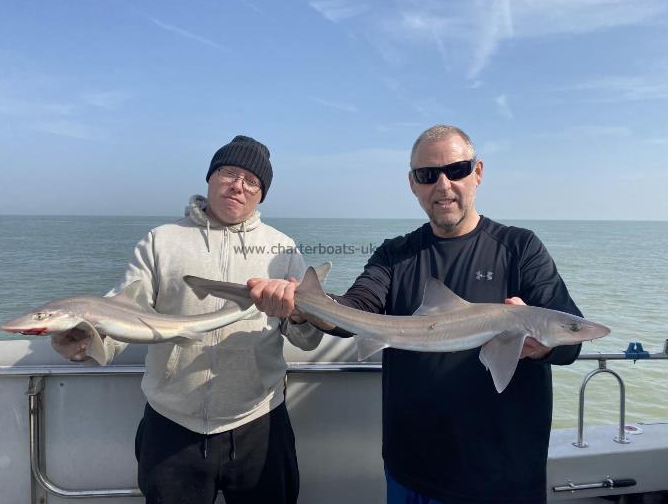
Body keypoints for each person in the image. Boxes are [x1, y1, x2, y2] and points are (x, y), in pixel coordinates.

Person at [248, 125, 583, 504]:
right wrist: (303, 307)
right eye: (427, 175)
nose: (442, 185)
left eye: (456, 170)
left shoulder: (520, 248)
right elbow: (353, 313)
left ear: (478, 172)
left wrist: (539, 346)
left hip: (503, 475)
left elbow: (570, 336)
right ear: (412, 184)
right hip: (411, 469)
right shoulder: (396, 254)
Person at [51, 135, 323, 504]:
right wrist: (85, 341)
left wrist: (298, 316)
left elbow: (306, 340)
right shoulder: (161, 241)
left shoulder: (283, 249)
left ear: (261, 194)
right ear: (210, 177)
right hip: (172, 424)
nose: (238, 185)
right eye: (229, 172)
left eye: (252, 181)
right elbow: (124, 314)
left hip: (259, 420)